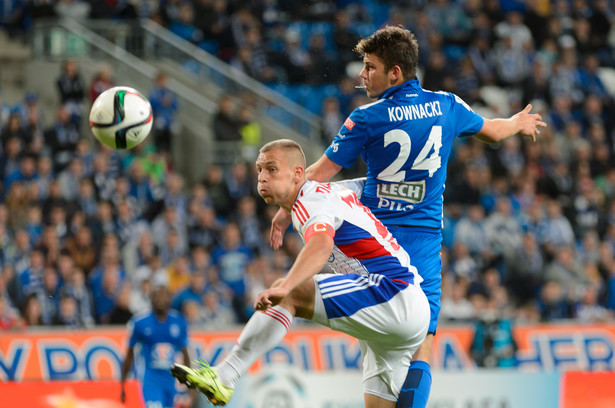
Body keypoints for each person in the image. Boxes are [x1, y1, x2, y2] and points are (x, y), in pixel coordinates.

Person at [269, 26, 547, 408]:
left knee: (381, 356)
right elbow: (493, 132)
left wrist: (287, 211)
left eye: (370, 67)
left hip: (374, 247)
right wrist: (518, 122)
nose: (362, 75)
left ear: (394, 73)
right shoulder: (447, 105)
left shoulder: (366, 118)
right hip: (424, 248)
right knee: (422, 347)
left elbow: (316, 174)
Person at [171, 139, 429, 408]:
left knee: (291, 295)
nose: (261, 178)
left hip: (393, 293)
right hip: (400, 311)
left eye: (271, 169)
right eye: (259, 170)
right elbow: (368, 185)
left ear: (297, 174)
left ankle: (225, 375)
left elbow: (322, 244)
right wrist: (285, 211)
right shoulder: (326, 192)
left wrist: (287, 286)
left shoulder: (310, 202)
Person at [121, 285, 191, 408]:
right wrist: (123, 383)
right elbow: (129, 354)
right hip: (150, 380)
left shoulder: (179, 322)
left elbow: (185, 354)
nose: (160, 300)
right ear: (151, 299)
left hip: (170, 381)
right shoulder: (140, 322)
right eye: (156, 296)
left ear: (170, 299)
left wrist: (190, 385)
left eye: (163, 296)